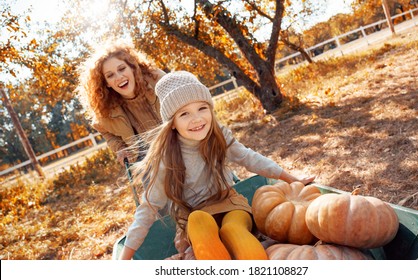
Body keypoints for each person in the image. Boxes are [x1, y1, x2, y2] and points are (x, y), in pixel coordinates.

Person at [118, 71, 315, 260]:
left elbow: (249, 158)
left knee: (233, 228)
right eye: (184, 114)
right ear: (172, 123)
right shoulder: (165, 158)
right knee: (198, 221)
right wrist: (124, 259)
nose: (196, 119)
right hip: (193, 214)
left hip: (228, 202)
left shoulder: (218, 134)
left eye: (202, 108)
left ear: (211, 109)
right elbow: (148, 207)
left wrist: (292, 179)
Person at [75, 41, 166, 165]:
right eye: (110, 75)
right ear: (106, 83)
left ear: (132, 68)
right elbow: (106, 132)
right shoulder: (106, 109)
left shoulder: (158, 80)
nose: (119, 77)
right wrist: (120, 148)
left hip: (178, 139)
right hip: (146, 157)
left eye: (122, 69)